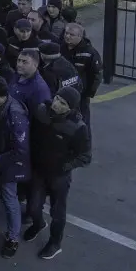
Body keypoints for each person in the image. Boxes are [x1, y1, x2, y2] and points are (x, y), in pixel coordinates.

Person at [25, 87, 91, 260]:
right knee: (33, 206)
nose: (56, 104)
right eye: (56, 98)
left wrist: (65, 166)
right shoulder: (41, 112)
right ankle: (38, 224)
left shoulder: (77, 127)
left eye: (62, 103)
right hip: (39, 170)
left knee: (57, 212)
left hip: (59, 176)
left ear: (71, 108)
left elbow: (85, 156)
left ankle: (55, 243)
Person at [0, 77, 30, 258]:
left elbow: (20, 149)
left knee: (10, 199)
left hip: (8, 163)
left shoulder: (15, 113)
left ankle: (13, 237)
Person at [61, 23, 102, 146]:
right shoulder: (61, 48)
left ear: (80, 36)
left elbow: (96, 75)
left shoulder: (89, 53)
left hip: (80, 95)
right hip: (63, 93)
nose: (67, 36)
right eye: (66, 33)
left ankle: (85, 149)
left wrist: (88, 93)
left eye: (71, 34)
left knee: (82, 121)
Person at [8, 48, 51, 117]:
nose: (19, 64)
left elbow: (39, 118)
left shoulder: (40, 88)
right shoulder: (16, 75)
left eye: (24, 62)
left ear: (35, 64)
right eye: (19, 60)